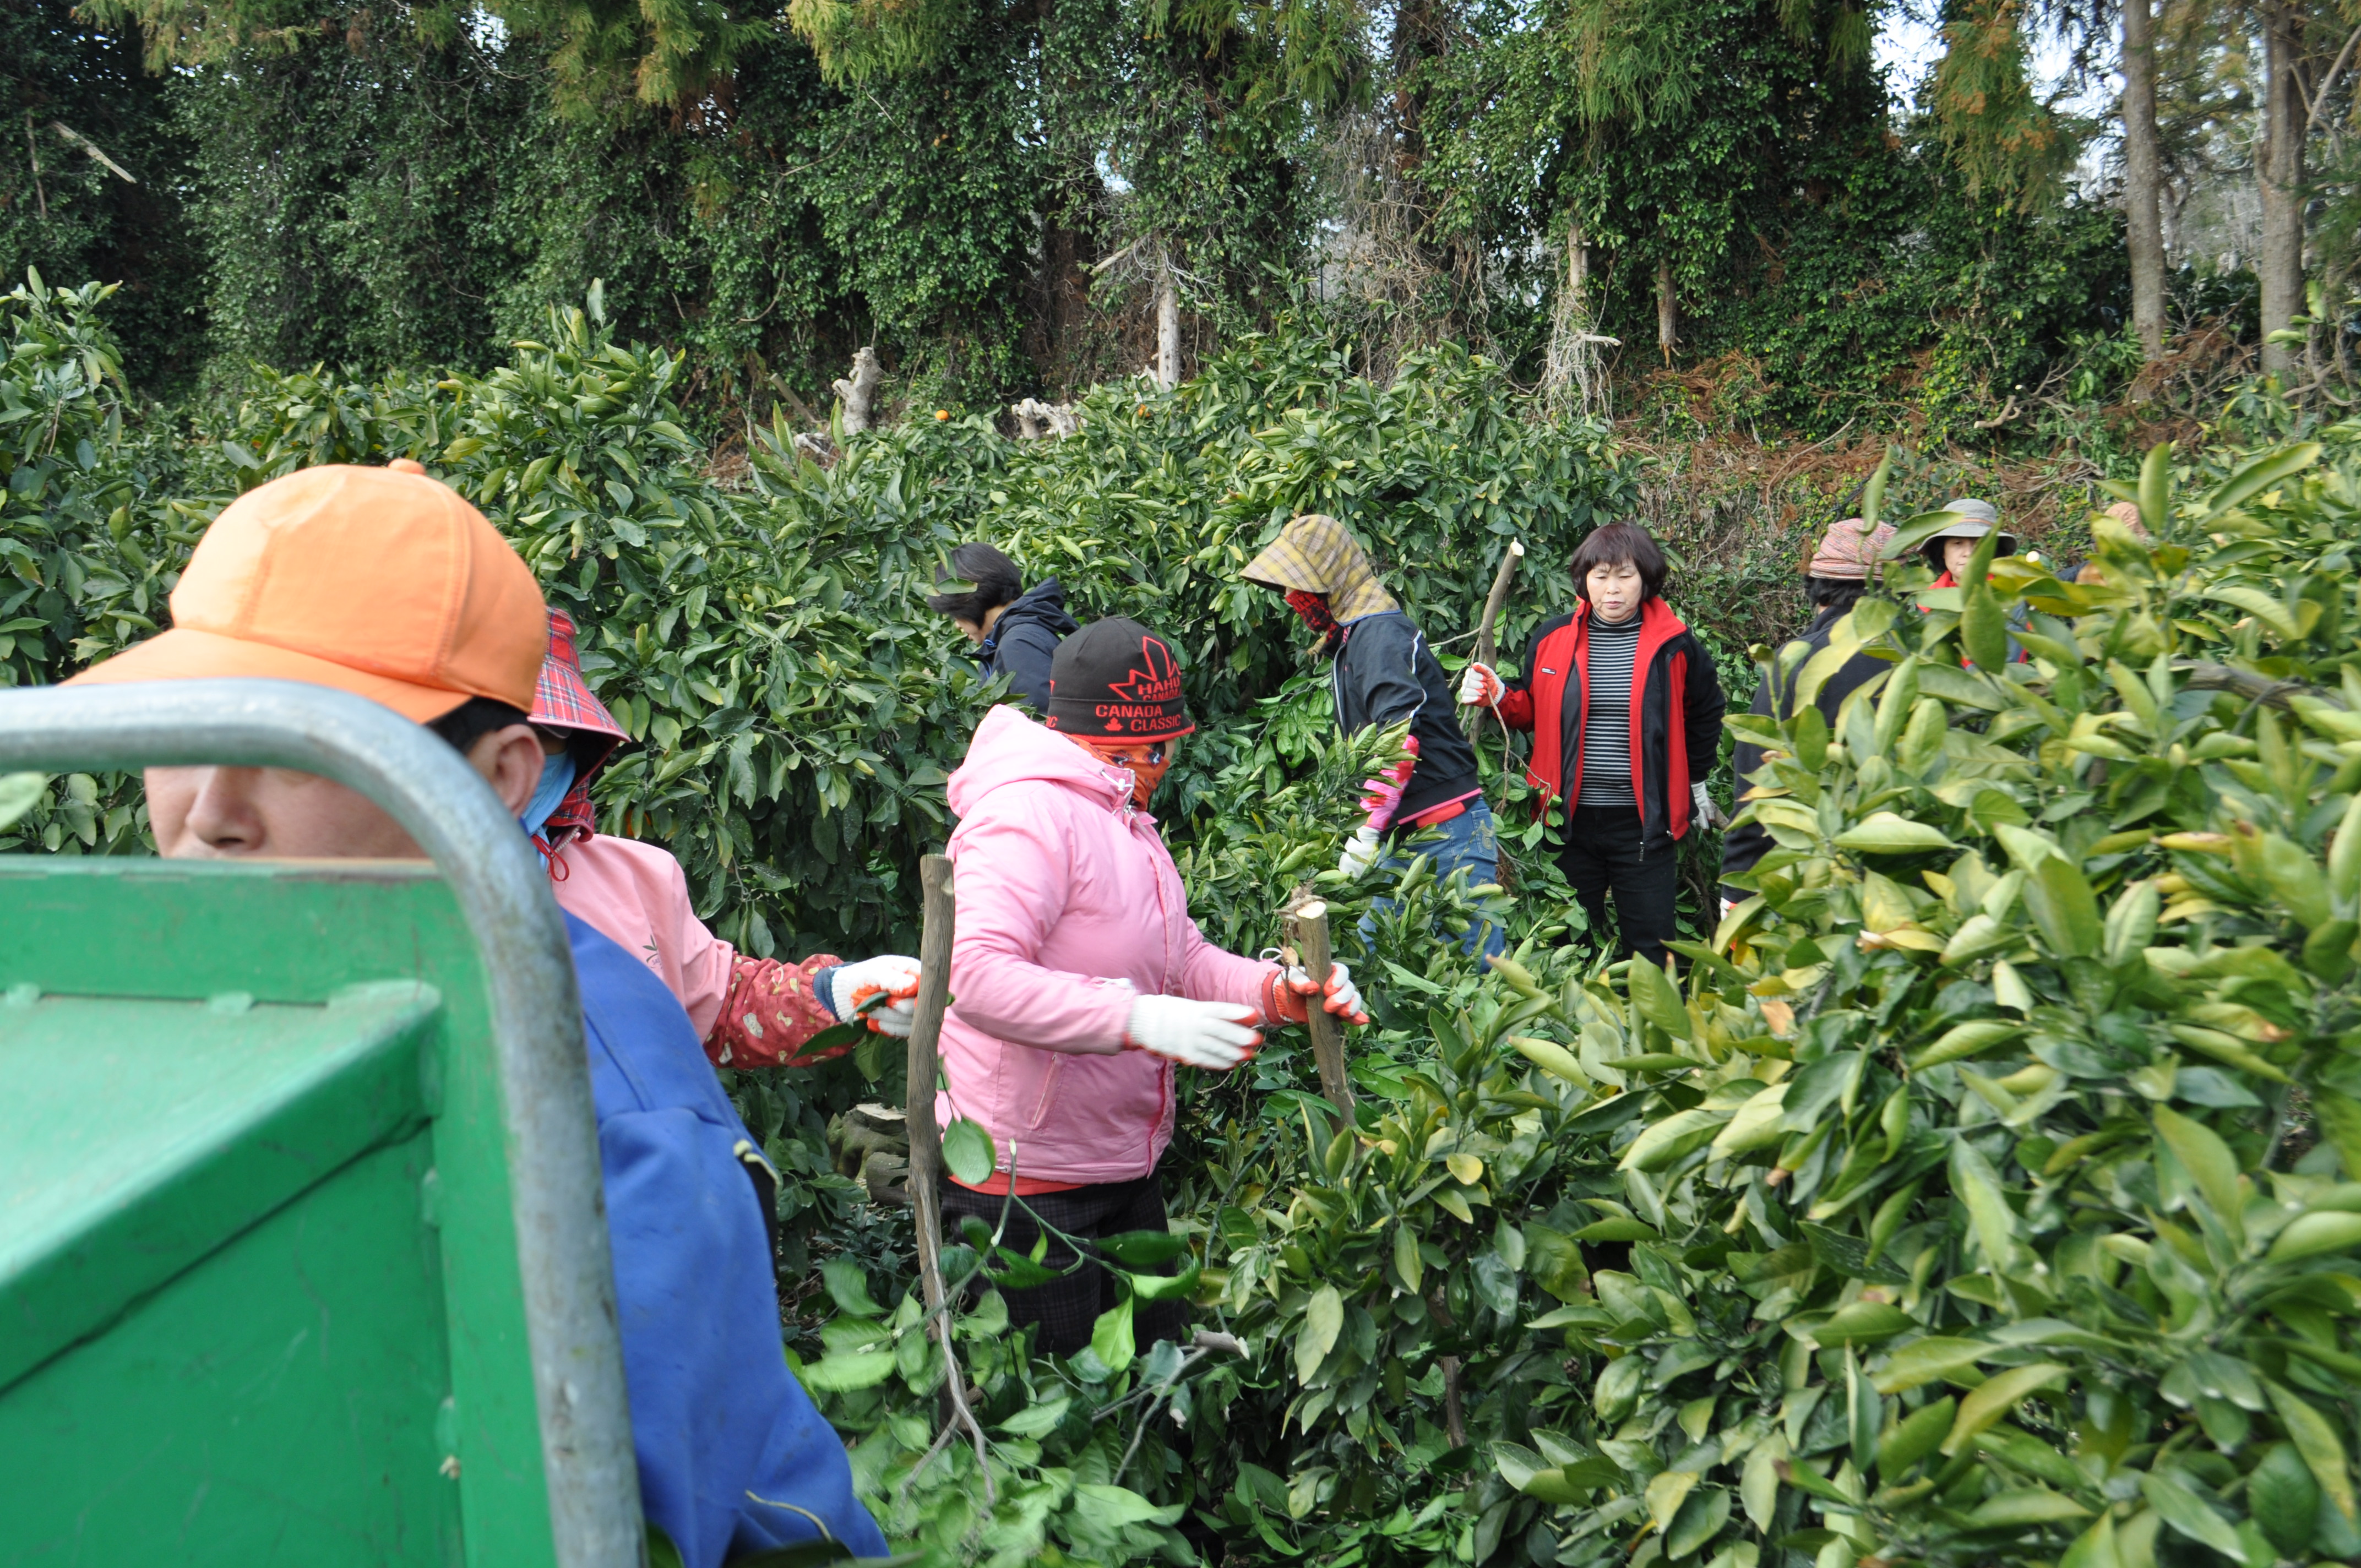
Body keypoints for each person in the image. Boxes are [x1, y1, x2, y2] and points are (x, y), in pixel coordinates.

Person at [67, 459, 889, 1567]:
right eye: (182, 726)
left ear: (504, 774)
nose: (209, 813)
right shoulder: (181, 992)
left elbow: (601, 1516)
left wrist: (831, 993)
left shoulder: (604, 1114)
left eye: (298, 750)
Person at [935, 617, 1367, 1355]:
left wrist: (1275, 991)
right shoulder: (1027, 815)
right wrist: (1136, 1018)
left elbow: (1180, 956)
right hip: (1027, 1179)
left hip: (1118, 1161)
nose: (1153, 765)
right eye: (1132, 750)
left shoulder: (1121, 813)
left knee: (1149, 1384)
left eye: (1162, 747)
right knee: (1054, 1415)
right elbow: (972, 976)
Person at [526, 606, 921, 1065]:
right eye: (495, 728)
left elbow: (720, 1006)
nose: (517, 757)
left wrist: (834, 993)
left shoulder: (638, 877)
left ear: (576, 744)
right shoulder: (425, 890)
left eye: (546, 731)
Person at [1457, 522, 1726, 971]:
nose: (1612, 590)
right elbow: (1533, 711)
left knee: (1652, 948)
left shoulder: (1675, 646)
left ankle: (1655, 1035)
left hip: (1644, 823)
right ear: (1584, 580)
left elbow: (1705, 712)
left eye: (1625, 576)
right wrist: (1499, 695)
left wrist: (1695, 782)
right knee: (1567, 943)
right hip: (1568, 821)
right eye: (1600, 577)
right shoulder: (1552, 638)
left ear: (1647, 578)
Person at [1239, 514, 1503, 957]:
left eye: (1297, 585)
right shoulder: (1352, 640)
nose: (1289, 597)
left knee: (1480, 970)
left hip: (1449, 830)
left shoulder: (1377, 634)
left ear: (1332, 581)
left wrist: (1368, 829)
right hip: (1412, 834)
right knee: (1373, 958)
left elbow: (1399, 735)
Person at [1719, 516, 1895, 907]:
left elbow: (1757, 782)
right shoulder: (1919, 657)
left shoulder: (1798, 661)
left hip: (1810, 868)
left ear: (1817, 591)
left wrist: (1736, 888)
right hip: (1900, 870)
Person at [927, 541, 1076, 713]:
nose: (957, 625)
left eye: (955, 615)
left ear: (968, 600)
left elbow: (1043, 723)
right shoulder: (1019, 634)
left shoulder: (1018, 643)